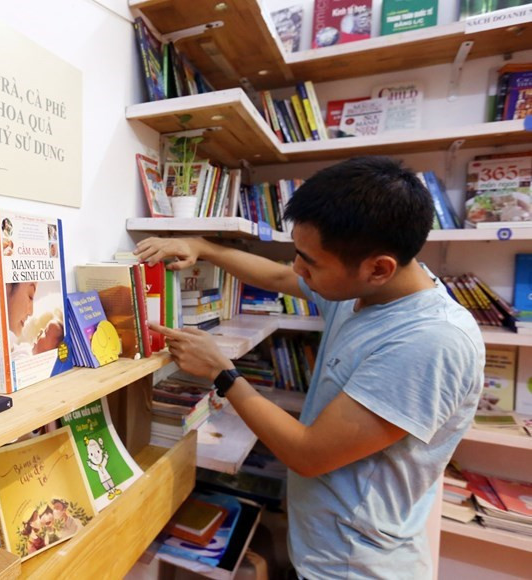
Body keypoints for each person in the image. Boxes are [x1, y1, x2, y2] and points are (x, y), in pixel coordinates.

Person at [136, 157, 484, 579]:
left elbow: (309, 454)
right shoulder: (365, 288)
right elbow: (281, 279)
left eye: (310, 262)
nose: (298, 269)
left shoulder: (429, 341)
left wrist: (223, 373)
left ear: (379, 268)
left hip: (357, 567)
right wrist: (204, 247)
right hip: (323, 548)